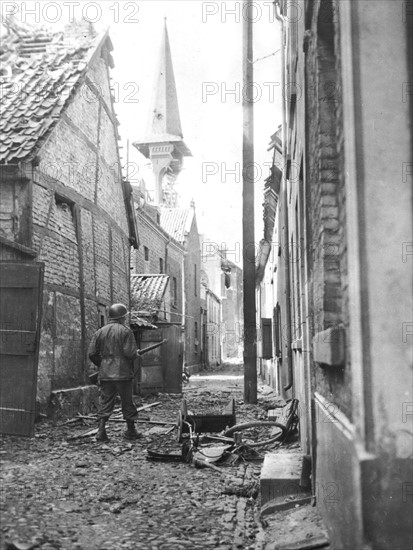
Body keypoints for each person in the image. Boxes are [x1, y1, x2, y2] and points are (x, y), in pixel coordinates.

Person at [88, 303, 140, 442]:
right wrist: (136, 354)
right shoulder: (126, 331)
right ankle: (131, 431)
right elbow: (129, 353)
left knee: (105, 401)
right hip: (123, 373)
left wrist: (103, 364)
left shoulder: (100, 332)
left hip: (106, 374)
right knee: (127, 402)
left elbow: (92, 353)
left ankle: (101, 431)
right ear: (122, 317)